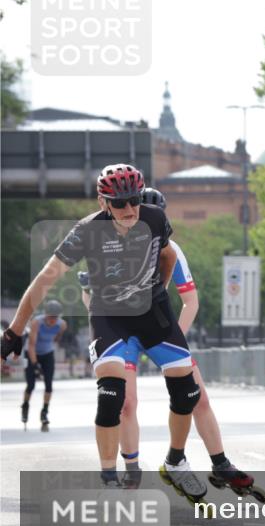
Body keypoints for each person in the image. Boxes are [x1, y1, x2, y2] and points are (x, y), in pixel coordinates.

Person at [1, 164, 205, 495]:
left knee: (188, 392)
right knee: (111, 396)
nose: (129, 209)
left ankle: (175, 461)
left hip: (152, 312)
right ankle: (110, 478)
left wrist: (159, 291)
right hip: (110, 316)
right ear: (103, 202)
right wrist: (14, 331)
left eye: (134, 200)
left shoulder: (154, 218)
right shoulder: (85, 232)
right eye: (120, 203)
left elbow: (167, 256)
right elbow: (45, 279)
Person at [77, 188, 264, 499]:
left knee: (197, 397)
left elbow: (190, 301)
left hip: (158, 329)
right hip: (123, 334)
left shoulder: (168, 248)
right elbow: (93, 308)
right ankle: (132, 470)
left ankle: (218, 462)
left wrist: (172, 340)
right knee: (125, 403)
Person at [21, 300, 67, 431]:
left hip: (47, 353)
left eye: (55, 317)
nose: (53, 320)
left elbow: (57, 337)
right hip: (31, 353)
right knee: (31, 385)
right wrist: (35, 365)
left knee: (49, 385)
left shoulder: (62, 324)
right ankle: (25, 405)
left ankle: (44, 412)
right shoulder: (37, 322)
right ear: (45, 314)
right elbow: (31, 345)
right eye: (50, 317)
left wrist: (53, 342)